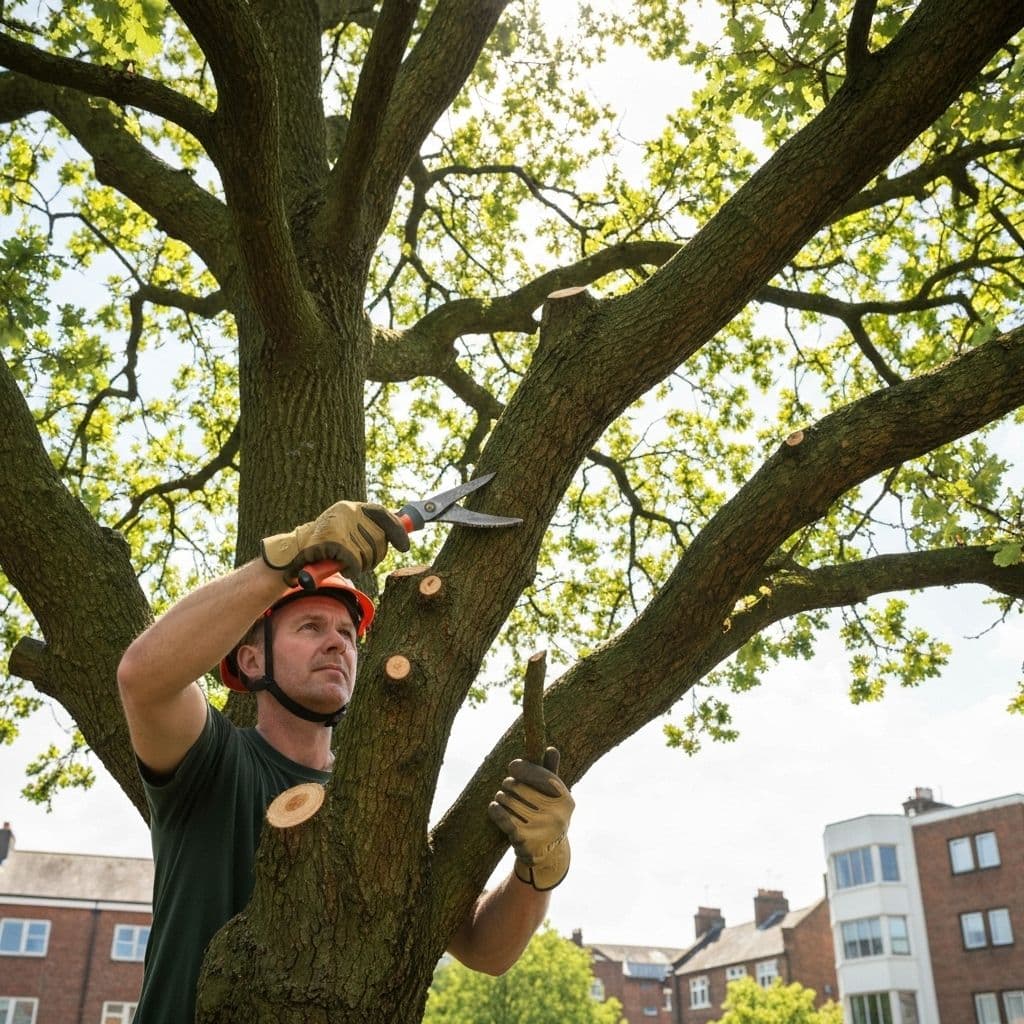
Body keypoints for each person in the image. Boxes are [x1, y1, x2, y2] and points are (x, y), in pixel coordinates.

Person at [117, 499, 575, 1024]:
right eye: (310, 627)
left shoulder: (374, 802)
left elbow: (484, 949)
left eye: (347, 635)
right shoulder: (210, 762)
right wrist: (286, 560)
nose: (337, 643)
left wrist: (540, 867)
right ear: (250, 658)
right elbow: (142, 677)